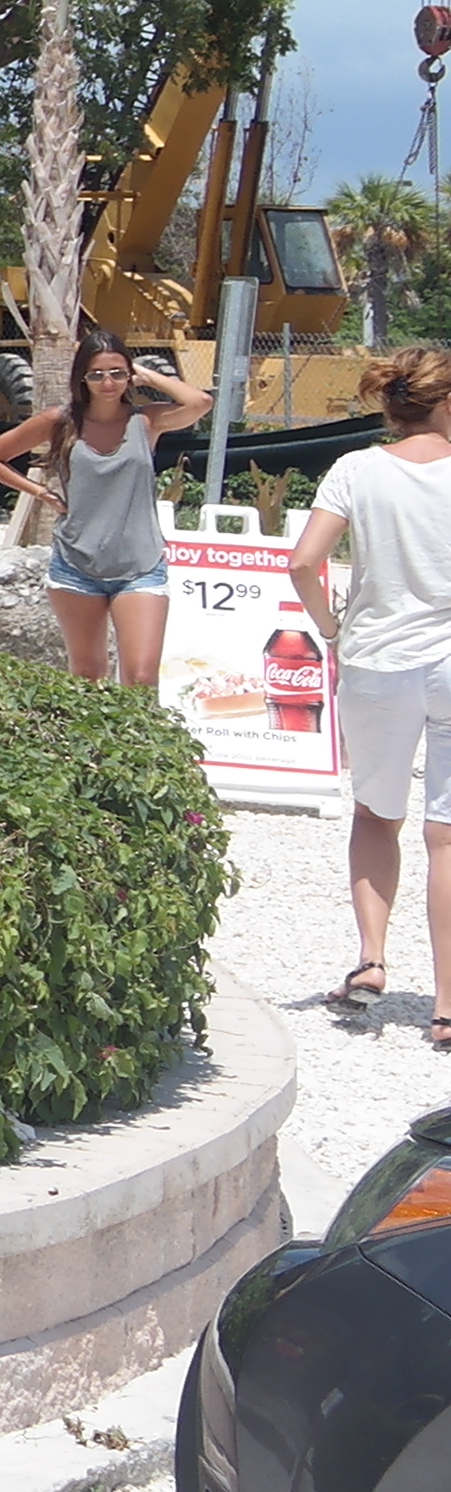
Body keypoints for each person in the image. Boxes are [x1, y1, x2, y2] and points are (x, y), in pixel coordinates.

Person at [298, 348, 451, 1027]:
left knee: (375, 815)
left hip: (377, 660)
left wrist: (331, 625)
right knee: (446, 837)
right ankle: (448, 1006)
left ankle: (371, 959)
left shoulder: (356, 469)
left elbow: (305, 560)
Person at [0, 325, 213, 688]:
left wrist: (147, 375)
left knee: (142, 677)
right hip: (76, 565)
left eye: (118, 373)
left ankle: (144, 745)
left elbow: (200, 403)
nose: (108, 382)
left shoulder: (146, 420)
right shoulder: (61, 422)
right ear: (82, 378)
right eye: (97, 374)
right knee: (87, 676)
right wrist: (42, 495)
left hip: (140, 565)